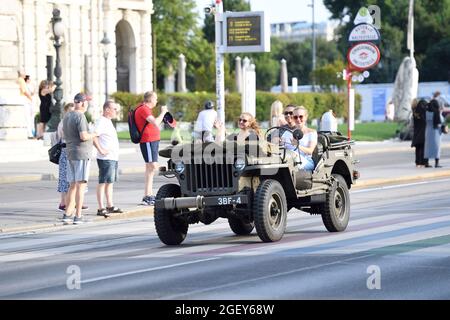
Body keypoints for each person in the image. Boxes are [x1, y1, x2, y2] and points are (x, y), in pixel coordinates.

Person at [62, 93, 98, 224]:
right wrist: (94, 133)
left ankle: (67, 215)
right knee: (81, 186)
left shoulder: (67, 116)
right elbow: (83, 136)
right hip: (81, 153)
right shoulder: (80, 116)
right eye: (86, 102)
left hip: (70, 153)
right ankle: (78, 216)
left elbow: (62, 133)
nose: (87, 104)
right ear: (82, 103)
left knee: (72, 185)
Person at [134, 91, 167, 206]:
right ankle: (147, 196)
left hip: (152, 140)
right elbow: (156, 123)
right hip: (147, 140)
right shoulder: (143, 109)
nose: (156, 101)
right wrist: (163, 113)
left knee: (150, 169)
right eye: (156, 99)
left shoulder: (146, 109)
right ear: (151, 99)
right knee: (152, 166)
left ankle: (148, 195)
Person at [93, 100, 123, 216]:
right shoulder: (101, 121)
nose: (116, 111)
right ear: (107, 109)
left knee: (110, 182)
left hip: (112, 157)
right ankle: (101, 208)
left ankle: (110, 205)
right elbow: (94, 136)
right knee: (103, 182)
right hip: (106, 158)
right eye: (114, 109)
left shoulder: (108, 121)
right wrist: (100, 149)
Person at [57, 102, 75, 212]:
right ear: (66, 111)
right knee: (64, 178)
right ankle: (63, 203)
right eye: (70, 111)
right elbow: (62, 136)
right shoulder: (63, 123)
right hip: (65, 151)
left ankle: (75, 201)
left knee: (74, 178)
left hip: (72, 151)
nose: (72, 113)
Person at [292, 106, 318, 171]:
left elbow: (310, 151)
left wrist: (297, 145)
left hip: (307, 162)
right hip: (293, 160)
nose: (298, 119)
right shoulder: (291, 132)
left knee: (293, 156)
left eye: (301, 116)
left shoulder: (312, 132)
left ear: (306, 117)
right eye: (295, 117)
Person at [424, 99, 444, 168]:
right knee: (436, 148)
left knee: (427, 147)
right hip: (436, 133)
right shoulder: (437, 113)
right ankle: (436, 163)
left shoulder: (427, 113)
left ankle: (426, 162)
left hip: (428, 132)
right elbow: (441, 122)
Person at [411, 99, 428, 168]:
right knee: (422, 147)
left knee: (417, 148)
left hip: (416, 132)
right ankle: (422, 162)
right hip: (422, 131)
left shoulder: (414, 112)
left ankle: (417, 162)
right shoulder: (422, 112)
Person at [17, 71, 34, 139]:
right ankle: (29, 134)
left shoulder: (21, 81)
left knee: (29, 117)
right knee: (28, 117)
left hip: (26, 100)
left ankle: (30, 133)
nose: (25, 74)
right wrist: (30, 98)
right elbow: (24, 91)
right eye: (24, 72)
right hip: (26, 100)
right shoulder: (21, 80)